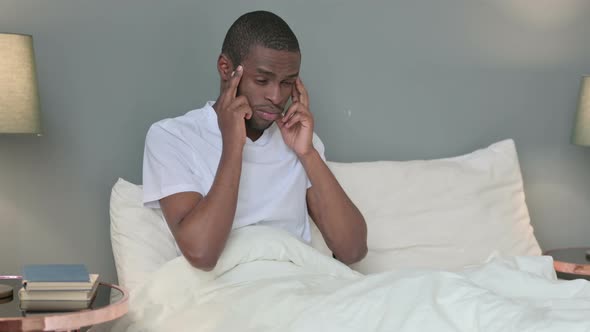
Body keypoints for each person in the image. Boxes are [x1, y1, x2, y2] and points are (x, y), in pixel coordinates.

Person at [142, 10, 367, 271]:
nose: (276, 96)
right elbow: (202, 253)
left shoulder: (299, 140)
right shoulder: (172, 137)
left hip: (301, 287)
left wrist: (308, 154)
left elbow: (353, 250)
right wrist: (234, 145)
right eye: (262, 80)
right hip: (232, 294)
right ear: (226, 68)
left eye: (287, 83)